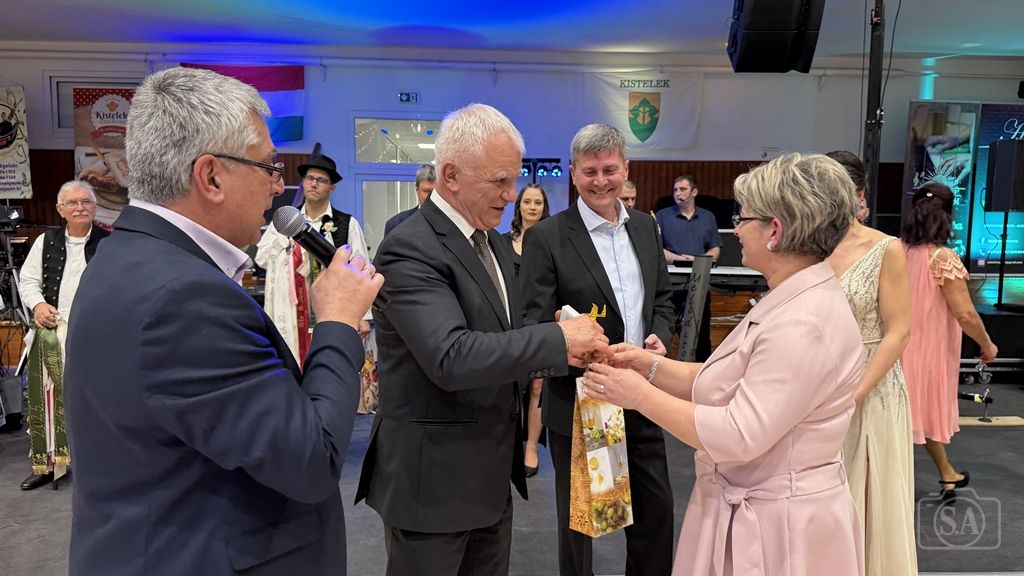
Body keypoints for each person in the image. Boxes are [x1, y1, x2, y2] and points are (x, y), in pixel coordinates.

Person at [64, 66, 383, 576]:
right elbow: (310, 459)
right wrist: (339, 321)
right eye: (268, 167)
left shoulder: (128, 255)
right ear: (211, 176)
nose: (277, 187)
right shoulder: (183, 296)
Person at [354, 103, 607, 576]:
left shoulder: (489, 242)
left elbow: (500, 338)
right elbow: (451, 356)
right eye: (499, 181)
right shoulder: (410, 246)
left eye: (514, 180)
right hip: (432, 485)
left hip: (488, 477)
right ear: (450, 174)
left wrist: (565, 344)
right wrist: (555, 339)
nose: (512, 194)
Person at [583, 153, 865, 576]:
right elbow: (727, 379)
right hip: (762, 506)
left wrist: (639, 396)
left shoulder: (803, 323)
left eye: (742, 218)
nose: (737, 228)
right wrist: (649, 367)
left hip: (779, 525)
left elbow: (738, 433)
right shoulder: (791, 297)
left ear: (775, 231)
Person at [519, 124, 676, 576]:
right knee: (582, 525)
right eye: (590, 172)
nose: (601, 181)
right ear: (573, 174)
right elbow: (532, 320)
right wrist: (567, 341)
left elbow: (662, 300)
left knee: (656, 514)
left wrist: (659, 335)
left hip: (641, 392)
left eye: (609, 170)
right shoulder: (547, 237)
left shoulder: (646, 227)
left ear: (626, 168)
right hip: (581, 399)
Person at [826, 150, 917, 575]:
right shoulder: (807, 247)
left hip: (872, 386)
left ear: (859, 194)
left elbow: (899, 331)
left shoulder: (886, 249)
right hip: (817, 383)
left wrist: (854, 395)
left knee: (867, 493)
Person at [901, 182, 998, 496]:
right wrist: (987, 343)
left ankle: (947, 473)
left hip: (895, 348)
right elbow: (966, 314)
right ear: (947, 216)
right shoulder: (943, 259)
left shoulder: (895, 251)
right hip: (928, 353)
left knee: (907, 416)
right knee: (922, 413)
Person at [17, 180, 108, 491]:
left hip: (94, 335)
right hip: (52, 332)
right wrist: (38, 304)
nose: (80, 207)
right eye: (72, 203)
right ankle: (48, 464)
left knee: (94, 399)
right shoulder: (46, 241)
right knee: (46, 401)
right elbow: (28, 280)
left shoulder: (110, 244)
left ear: (95, 207)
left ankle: (97, 464)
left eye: (86, 202)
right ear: (60, 209)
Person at [255, 152, 372, 363]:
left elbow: (362, 267)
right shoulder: (287, 220)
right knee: (293, 357)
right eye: (309, 178)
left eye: (321, 180)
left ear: (332, 187)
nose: (314, 184)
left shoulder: (347, 223)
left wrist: (363, 316)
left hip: (331, 305)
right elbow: (262, 259)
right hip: (291, 308)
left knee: (329, 358)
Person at [504, 183, 551, 478]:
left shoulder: (552, 241)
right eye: (527, 201)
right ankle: (507, 447)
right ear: (518, 205)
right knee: (508, 386)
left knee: (537, 386)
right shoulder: (500, 242)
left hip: (542, 320)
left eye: (538, 202)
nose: (532, 207)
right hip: (509, 322)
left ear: (544, 208)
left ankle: (531, 446)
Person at [655, 175, 722, 361]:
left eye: (682, 189)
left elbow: (715, 249)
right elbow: (657, 249)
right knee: (665, 332)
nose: (678, 193)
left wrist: (699, 260)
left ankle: (700, 371)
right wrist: (679, 259)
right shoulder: (662, 216)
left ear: (694, 192)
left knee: (701, 334)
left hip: (700, 284)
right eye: (675, 190)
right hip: (671, 285)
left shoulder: (707, 217)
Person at [384, 163, 435, 236]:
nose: (431, 196)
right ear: (417, 189)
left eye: (436, 192)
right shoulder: (396, 224)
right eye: (426, 191)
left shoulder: (450, 222)